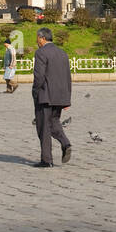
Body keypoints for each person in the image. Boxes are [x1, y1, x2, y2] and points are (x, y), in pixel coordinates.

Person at [30, 27, 72, 168]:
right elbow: (67, 76)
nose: (36, 41)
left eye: (37, 38)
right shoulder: (62, 53)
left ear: (42, 38)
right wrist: (67, 98)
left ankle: (46, 160)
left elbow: (39, 76)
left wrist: (35, 92)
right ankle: (65, 143)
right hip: (60, 96)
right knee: (54, 122)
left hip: (45, 95)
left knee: (43, 127)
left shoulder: (41, 53)